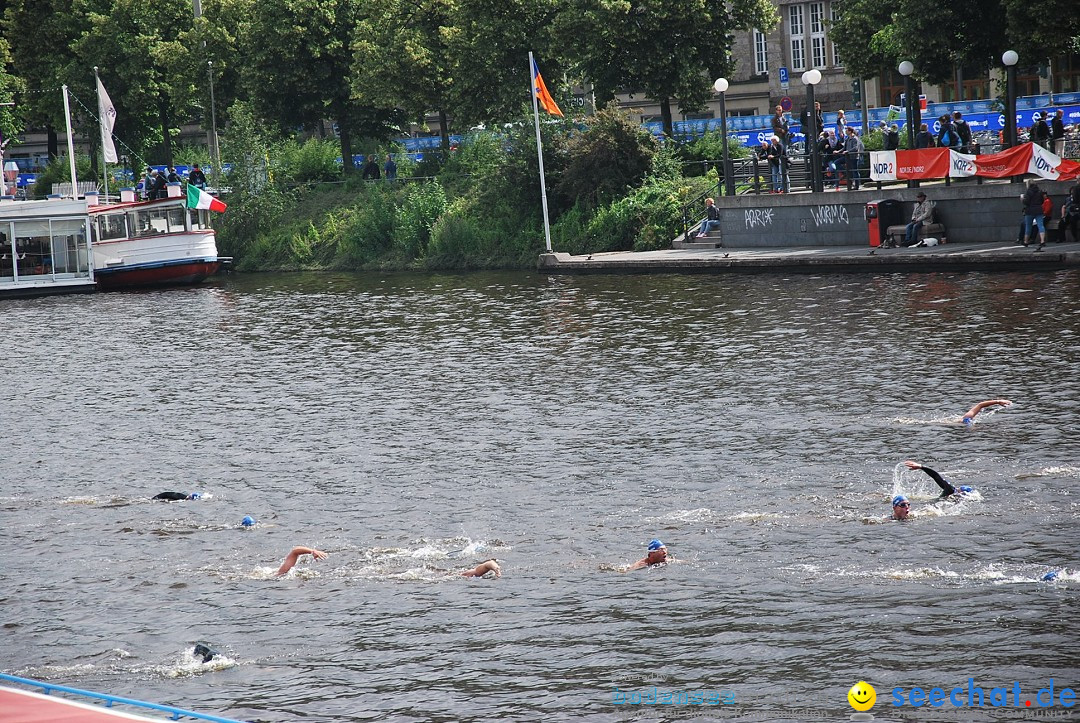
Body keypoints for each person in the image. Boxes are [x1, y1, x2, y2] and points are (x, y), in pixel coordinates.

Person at [904, 461, 975, 499]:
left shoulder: (952, 492)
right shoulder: (951, 491)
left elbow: (936, 476)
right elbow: (936, 476)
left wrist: (921, 467)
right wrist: (921, 467)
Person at [1022, 183, 1048, 250]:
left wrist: (1022, 199)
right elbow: (1042, 201)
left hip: (1030, 210)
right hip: (1039, 210)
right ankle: (1042, 241)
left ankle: (1026, 241)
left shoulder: (1028, 192)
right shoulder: (1039, 191)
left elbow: (1026, 202)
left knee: (1028, 226)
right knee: (1040, 225)